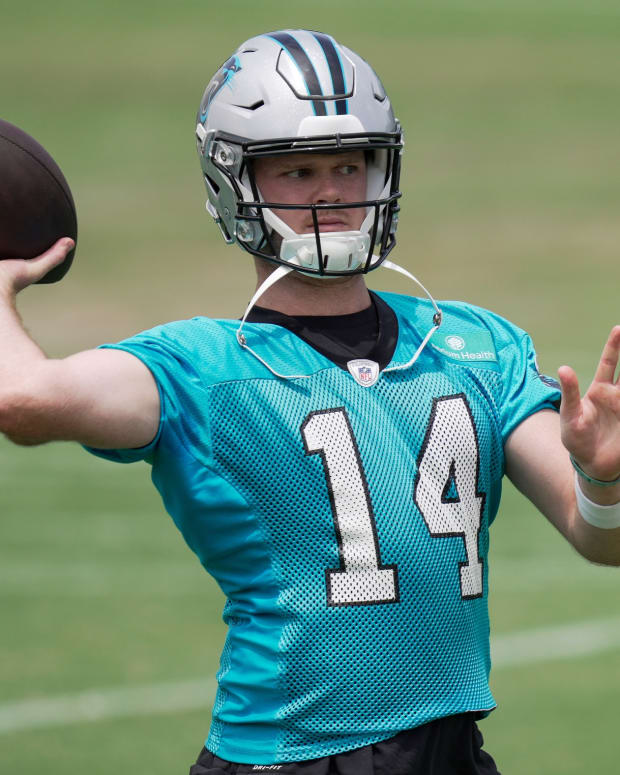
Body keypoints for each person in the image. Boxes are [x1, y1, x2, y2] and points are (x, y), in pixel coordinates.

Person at [1, 29, 619, 775]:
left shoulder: (473, 345)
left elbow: (602, 540)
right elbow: (21, 397)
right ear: (235, 182)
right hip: (290, 758)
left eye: (348, 164)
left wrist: (604, 475)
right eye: (297, 171)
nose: (331, 192)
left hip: (452, 754)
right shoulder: (201, 369)